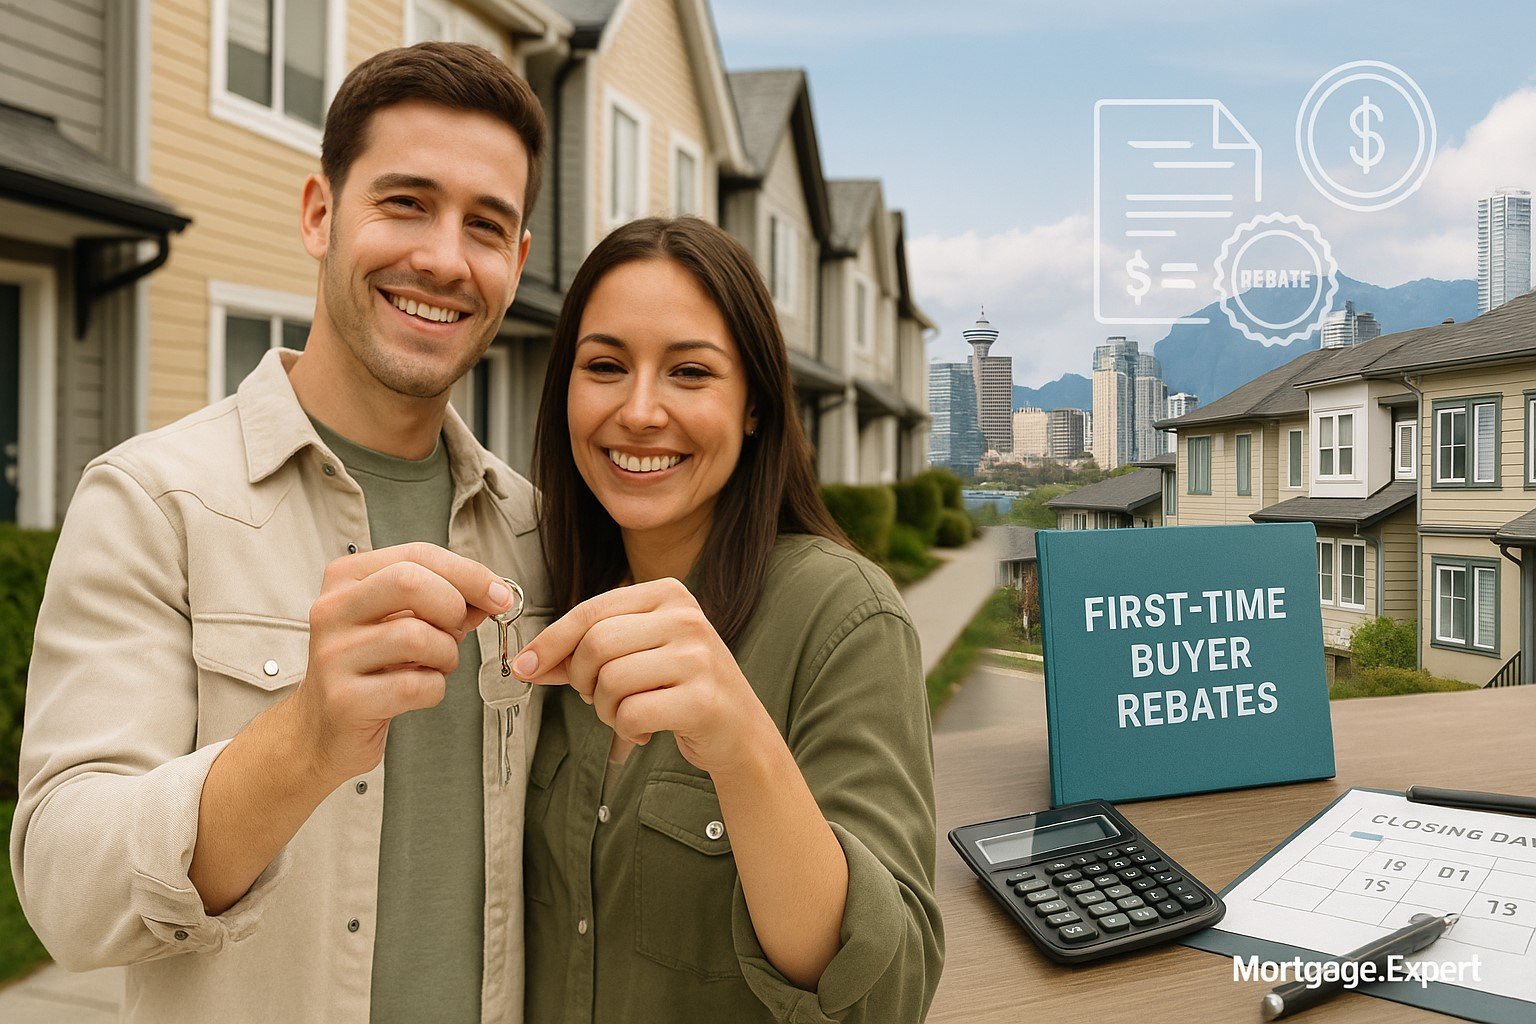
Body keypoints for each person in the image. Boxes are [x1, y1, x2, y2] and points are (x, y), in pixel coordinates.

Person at [10, 43, 551, 1024]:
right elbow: (64, 890)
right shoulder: (153, 500)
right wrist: (302, 741)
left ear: (514, 264)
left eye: (486, 225)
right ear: (319, 212)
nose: (441, 256)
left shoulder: (533, 530)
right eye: (404, 202)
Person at [517, 217, 944, 1023]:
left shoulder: (844, 617)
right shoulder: (540, 598)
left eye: (690, 373)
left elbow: (888, 995)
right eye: (605, 366)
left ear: (753, 405)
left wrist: (742, 746)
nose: (640, 411)